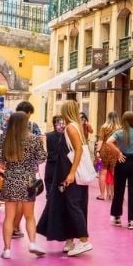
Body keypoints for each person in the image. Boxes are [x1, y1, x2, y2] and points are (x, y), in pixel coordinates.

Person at [37, 102, 92, 257]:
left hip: (69, 173)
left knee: (72, 204)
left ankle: (84, 239)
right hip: (66, 173)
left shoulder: (71, 128)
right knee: (70, 204)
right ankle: (70, 240)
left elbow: (79, 150)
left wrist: (72, 173)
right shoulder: (76, 127)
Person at [0, 111, 47, 259]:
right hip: (28, 180)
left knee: (9, 217)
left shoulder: (5, 139)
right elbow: (42, 157)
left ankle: (7, 249)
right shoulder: (34, 139)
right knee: (29, 216)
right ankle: (33, 243)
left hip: (10, 179)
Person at [108, 111, 133, 229]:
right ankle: (131, 221)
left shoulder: (118, 133)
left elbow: (108, 142)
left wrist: (118, 152)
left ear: (123, 120)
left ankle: (117, 217)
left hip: (122, 160)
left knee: (118, 189)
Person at [96, 111, 119, 201]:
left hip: (104, 151)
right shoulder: (120, 129)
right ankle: (114, 195)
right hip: (115, 152)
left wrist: (97, 151)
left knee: (102, 173)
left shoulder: (104, 127)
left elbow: (101, 140)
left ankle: (102, 195)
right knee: (115, 174)